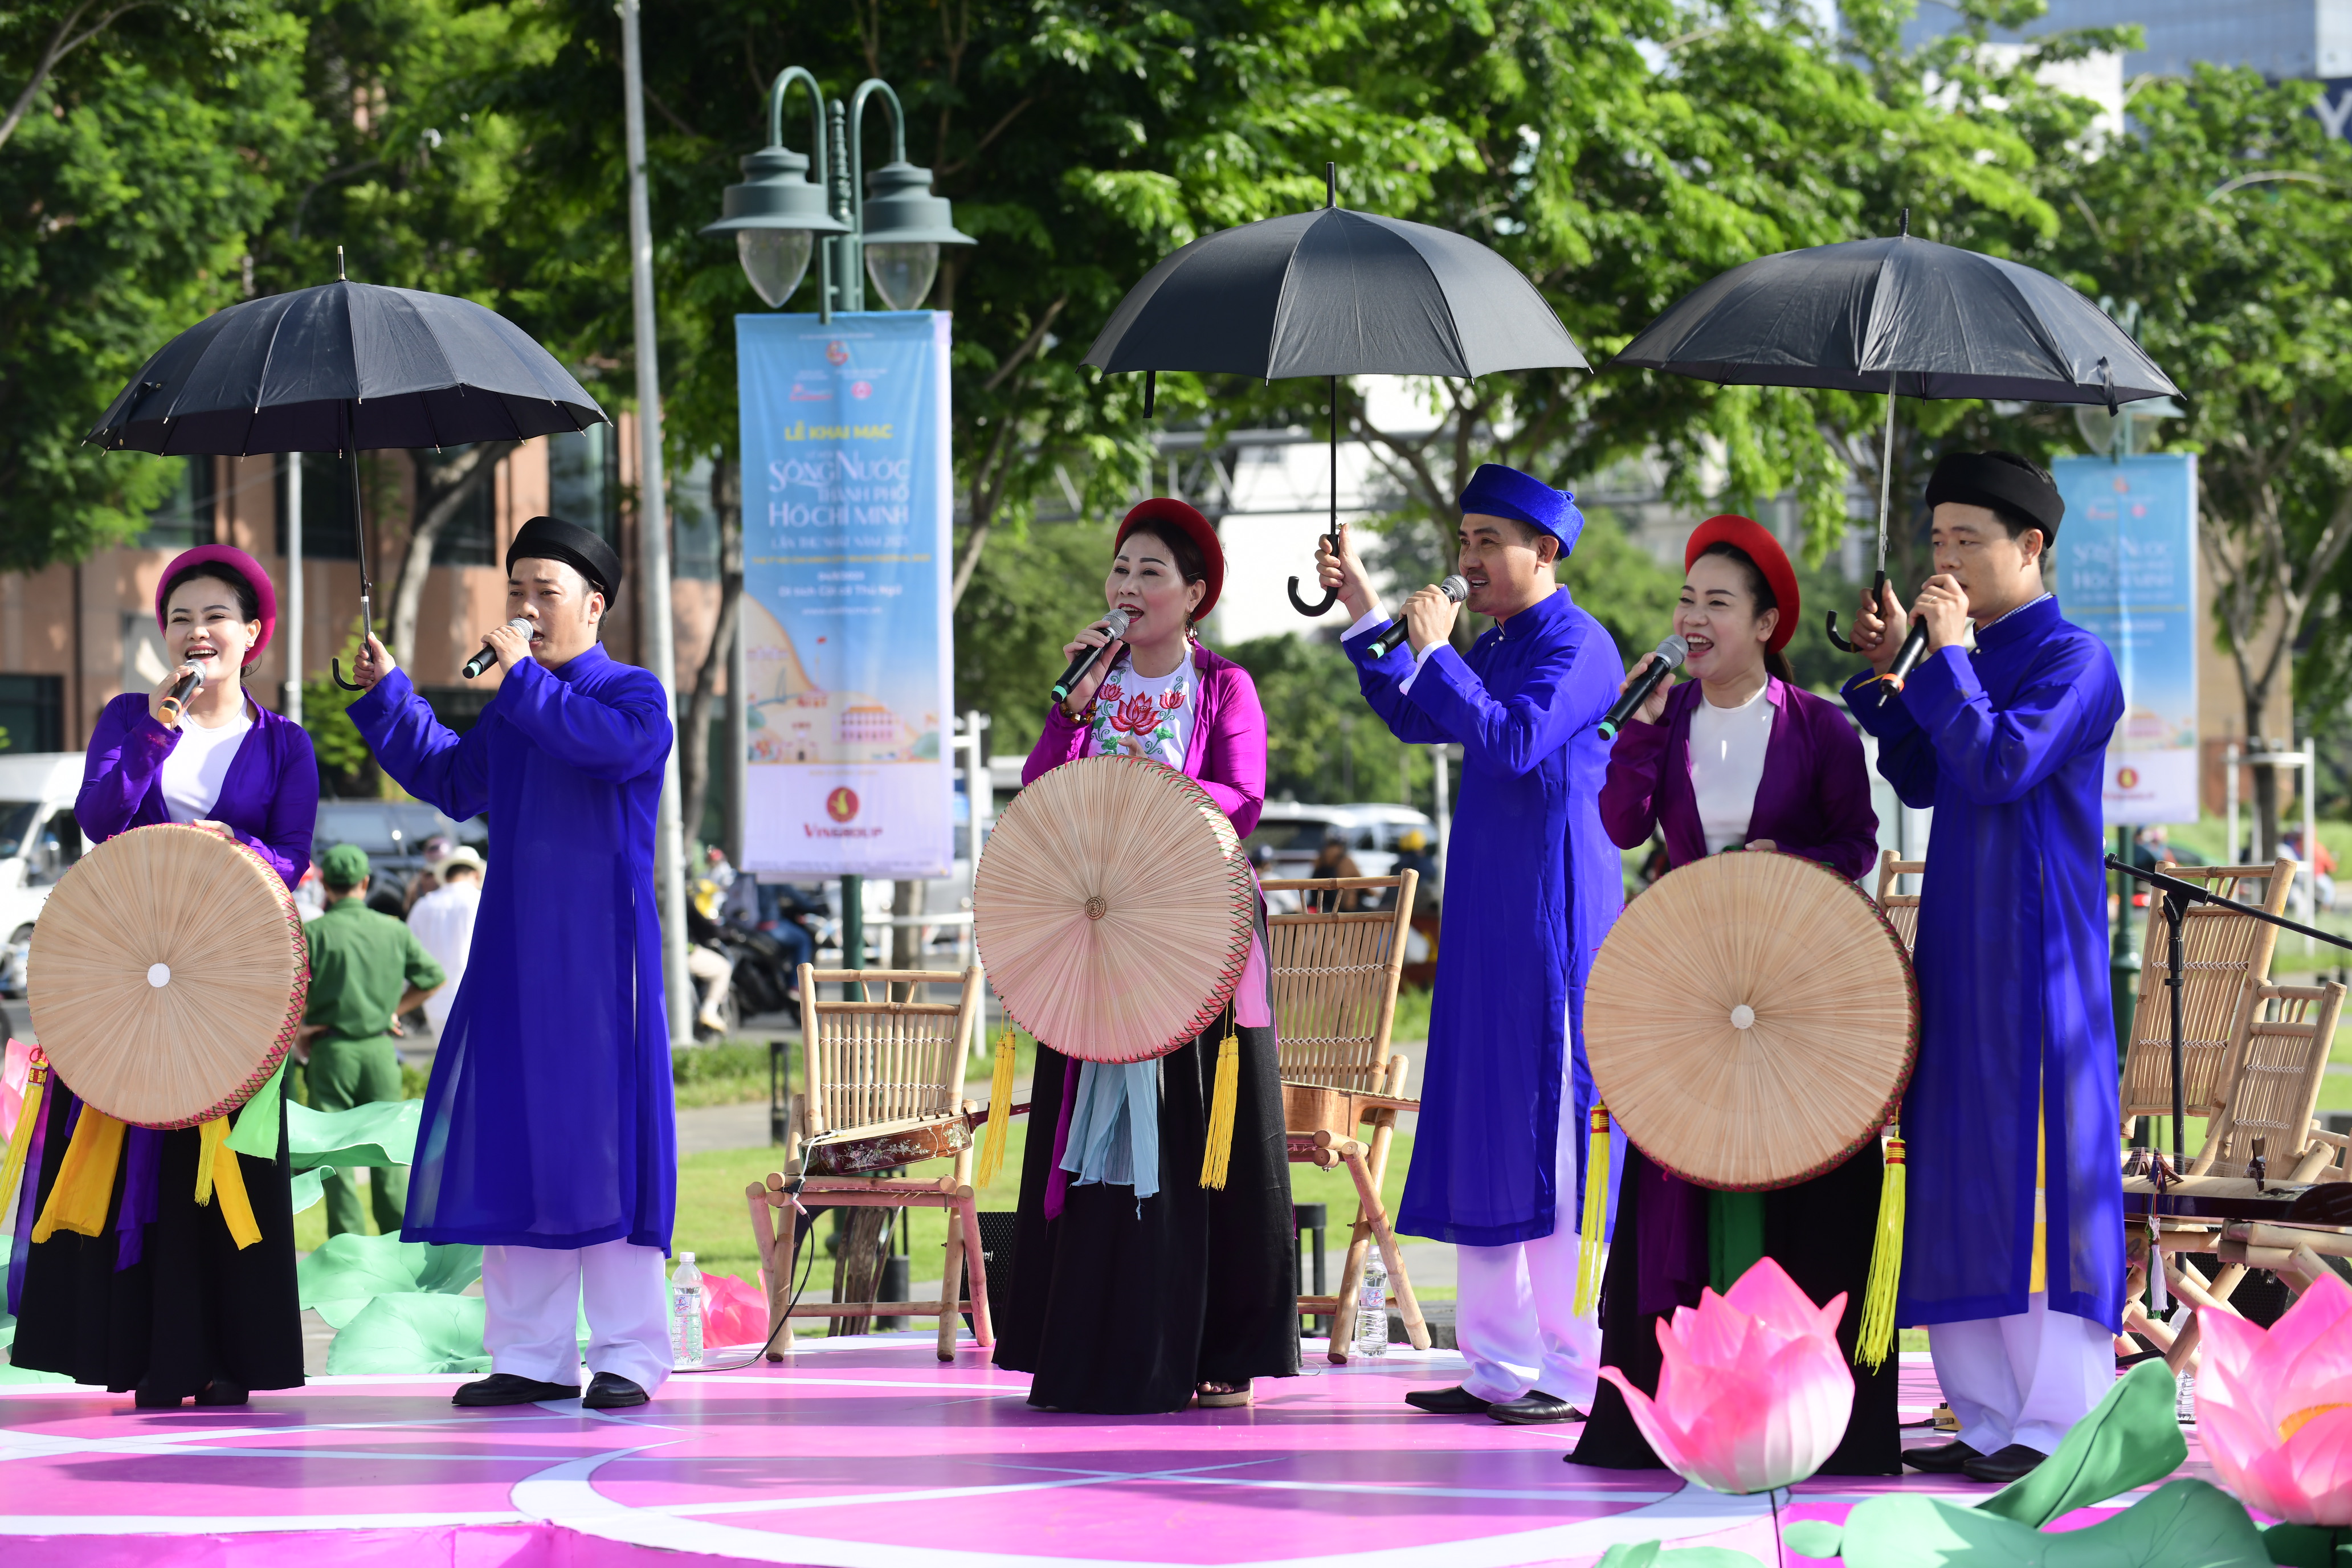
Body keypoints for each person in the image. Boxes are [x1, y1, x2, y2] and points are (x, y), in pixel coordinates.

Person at [1572, 514, 1896, 1476]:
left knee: (1795, 1170)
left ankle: (1797, 1403)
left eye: (1717, 602)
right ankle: (1682, 1402)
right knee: (1685, 1168)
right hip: (1692, 981)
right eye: (1686, 600)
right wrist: (1637, 728)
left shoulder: (1818, 726)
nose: (1693, 618)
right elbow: (1622, 824)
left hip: (1794, 986)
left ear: (1764, 624)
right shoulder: (1665, 718)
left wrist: (1781, 858)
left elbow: (1857, 844)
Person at [346, 514, 678, 1411]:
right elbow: (455, 782)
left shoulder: (633, 694)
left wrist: (523, 677)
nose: (525, 608)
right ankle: (531, 1356)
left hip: (604, 961)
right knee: (518, 1138)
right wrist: (391, 696)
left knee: (607, 1149)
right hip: (517, 951)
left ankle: (629, 1353)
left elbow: (611, 749)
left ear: (595, 605)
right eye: (516, 591)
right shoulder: (521, 702)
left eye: (546, 592)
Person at [1314, 462, 1624, 1426]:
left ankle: (1573, 1370)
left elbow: (1513, 742)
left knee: (1558, 1139)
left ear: (1546, 551)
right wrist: (1367, 610)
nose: (1470, 558)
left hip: (1553, 927)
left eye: (1490, 541)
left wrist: (1439, 654)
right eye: (1464, 540)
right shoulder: (1492, 644)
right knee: (1488, 1127)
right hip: (1490, 921)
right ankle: (1497, 1364)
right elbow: (1415, 714)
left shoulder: (1578, 644)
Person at [1844, 451, 2124, 1486]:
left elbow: (2002, 763)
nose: (1945, 560)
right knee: (1961, 1171)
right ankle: (1986, 1413)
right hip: (1959, 953)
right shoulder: (1959, 654)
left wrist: (1948, 658)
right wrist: (1894, 672)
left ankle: (2057, 1426)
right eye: (1936, 540)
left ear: (2030, 546)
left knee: (2038, 1178)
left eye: (1967, 540)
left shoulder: (2076, 660)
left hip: (2040, 967)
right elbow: (1926, 770)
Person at [993, 498, 1298, 1415]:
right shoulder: (1093, 684)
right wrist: (1073, 709)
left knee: (1195, 1132)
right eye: (1120, 568)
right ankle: (1087, 1343)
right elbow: (1041, 785)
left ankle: (1210, 1347)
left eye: (1150, 572)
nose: (1127, 586)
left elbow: (1242, 795)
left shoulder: (1224, 686)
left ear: (1194, 594)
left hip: (1194, 930)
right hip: (1101, 934)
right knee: (1088, 1137)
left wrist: (1146, 796)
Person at [12, 545, 316, 1407]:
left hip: (236, 979)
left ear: (251, 633)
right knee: (138, 1144)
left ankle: (228, 1358)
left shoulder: (284, 743)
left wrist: (235, 846)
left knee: (224, 1154)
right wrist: (156, 730)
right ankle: (148, 1356)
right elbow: (100, 818)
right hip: (129, 973)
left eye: (216, 616)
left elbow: (293, 854)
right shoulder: (129, 717)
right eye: (181, 618)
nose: (197, 632)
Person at [300, 843, 445, 1238]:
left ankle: (345, 1244)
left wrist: (302, 1030)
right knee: (388, 1153)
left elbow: (288, 992)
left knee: (334, 1156)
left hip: (332, 1051)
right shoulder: (394, 930)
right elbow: (433, 978)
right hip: (381, 1050)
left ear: (325, 885)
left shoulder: (313, 933)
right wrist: (396, 1009)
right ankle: (397, 1242)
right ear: (365, 882)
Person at [407, 846, 484, 1034]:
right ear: (475, 875)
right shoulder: (480, 901)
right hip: (475, 997)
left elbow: (408, 954)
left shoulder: (423, 905)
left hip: (433, 1000)